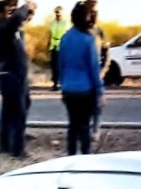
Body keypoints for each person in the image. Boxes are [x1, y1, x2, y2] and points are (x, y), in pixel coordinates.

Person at [59, 1, 104, 156]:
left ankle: (70, 155)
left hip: (68, 88)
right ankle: (85, 157)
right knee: (84, 126)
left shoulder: (65, 38)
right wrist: (100, 91)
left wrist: (62, 83)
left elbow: (61, 65)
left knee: (73, 125)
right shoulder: (87, 39)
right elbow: (93, 67)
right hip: (86, 89)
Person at [0, 0, 36, 158]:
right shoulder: (3, 28)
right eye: (8, 11)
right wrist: (27, 6)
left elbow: (22, 19)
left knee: (11, 110)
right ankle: (17, 150)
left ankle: (5, 145)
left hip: (15, 75)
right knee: (18, 112)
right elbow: (18, 18)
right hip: (11, 76)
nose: (12, 13)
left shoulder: (10, 29)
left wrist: (30, 12)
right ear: (0, 15)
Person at [86, 0, 111, 142]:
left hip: (96, 73)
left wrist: (104, 69)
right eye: (92, 11)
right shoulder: (79, 32)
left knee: (97, 105)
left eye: (96, 12)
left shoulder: (100, 31)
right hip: (83, 74)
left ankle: (95, 130)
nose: (94, 15)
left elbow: (107, 51)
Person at [48, 6, 68, 91]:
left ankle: (63, 83)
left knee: (62, 65)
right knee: (54, 66)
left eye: (59, 12)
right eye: (56, 12)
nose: (57, 14)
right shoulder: (53, 23)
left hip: (62, 46)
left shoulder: (65, 23)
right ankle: (55, 84)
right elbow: (50, 34)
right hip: (54, 45)